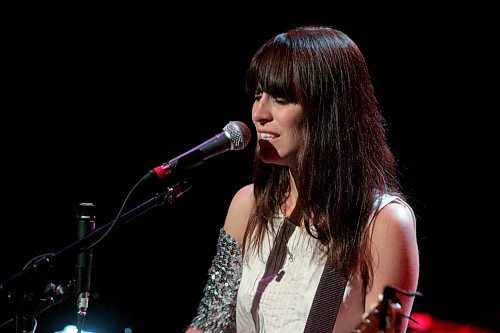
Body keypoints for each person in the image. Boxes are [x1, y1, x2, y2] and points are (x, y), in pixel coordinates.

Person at [186, 25, 419, 333]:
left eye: (280, 98)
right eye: (258, 95)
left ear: (328, 109)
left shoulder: (383, 223)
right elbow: (209, 323)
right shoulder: (248, 206)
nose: (259, 112)